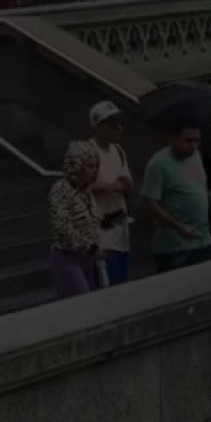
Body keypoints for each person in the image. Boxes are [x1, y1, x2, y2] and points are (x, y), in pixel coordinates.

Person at [141, 123, 210, 272]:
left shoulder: (196, 156)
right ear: (173, 138)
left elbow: (196, 186)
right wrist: (178, 227)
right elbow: (150, 202)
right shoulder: (158, 163)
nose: (193, 145)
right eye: (188, 140)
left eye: (196, 141)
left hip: (202, 240)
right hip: (175, 247)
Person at [48, 141, 103, 298]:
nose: (94, 171)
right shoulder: (60, 190)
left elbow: (91, 220)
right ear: (77, 166)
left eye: (96, 166)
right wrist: (88, 245)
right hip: (67, 257)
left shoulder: (85, 191)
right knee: (81, 298)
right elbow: (62, 225)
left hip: (88, 257)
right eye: (90, 167)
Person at [87, 101, 134, 286]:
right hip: (101, 235)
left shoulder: (119, 151)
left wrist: (118, 186)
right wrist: (110, 186)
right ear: (98, 126)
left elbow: (127, 184)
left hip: (121, 233)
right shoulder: (88, 152)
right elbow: (82, 185)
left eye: (120, 123)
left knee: (121, 283)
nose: (119, 128)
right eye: (112, 124)